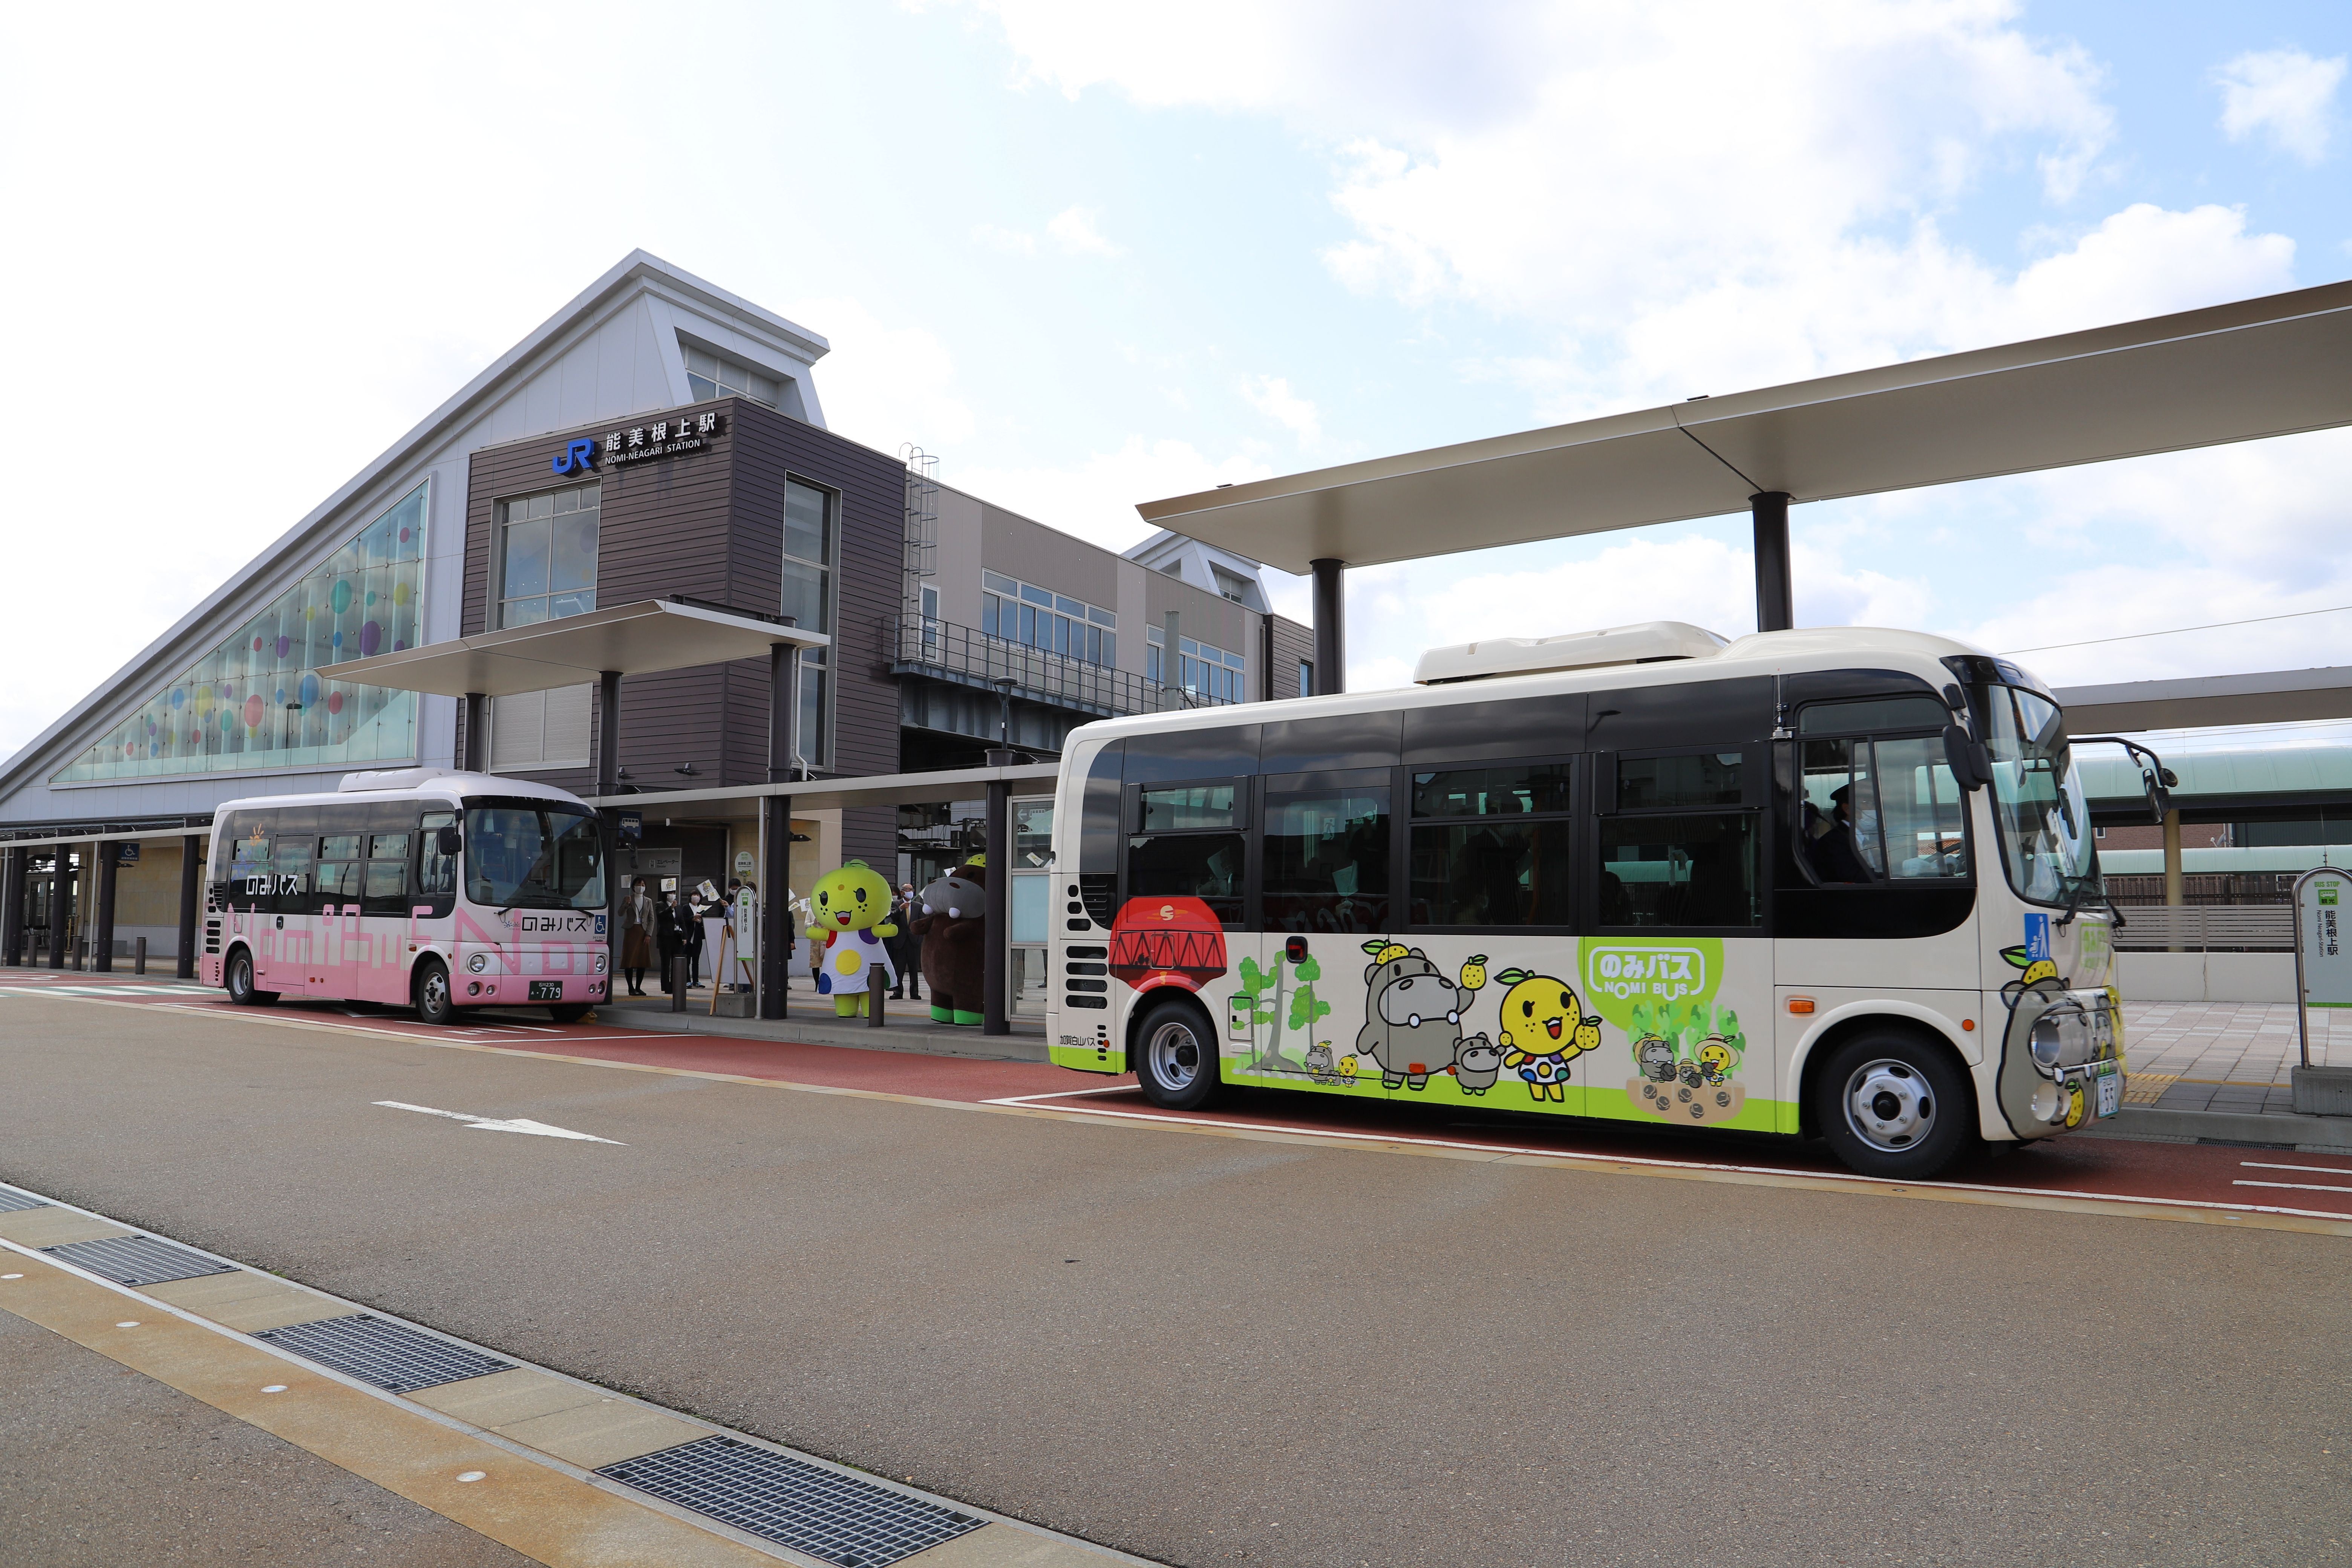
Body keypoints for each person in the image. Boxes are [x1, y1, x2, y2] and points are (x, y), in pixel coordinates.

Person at [619, 878, 656, 996]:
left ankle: (639, 987)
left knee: (642, 960)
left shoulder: (648, 901)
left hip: (643, 931)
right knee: (629, 960)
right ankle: (631, 988)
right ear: (634, 886)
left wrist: (649, 934)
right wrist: (627, 904)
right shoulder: (628, 898)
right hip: (631, 931)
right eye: (639, 884)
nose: (641, 886)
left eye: (643, 884)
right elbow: (620, 913)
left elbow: (652, 919)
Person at [888, 880, 922, 1001]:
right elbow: (893, 917)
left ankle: (915, 993)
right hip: (900, 941)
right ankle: (898, 992)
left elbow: (921, 924)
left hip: (914, 941)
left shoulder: (919, 907)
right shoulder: (896, 904)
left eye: (912, 890)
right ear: (902, 892)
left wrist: (919, 939)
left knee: (914, 969)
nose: (911, 892)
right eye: (908, 890)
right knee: (899, 968)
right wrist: (901, 909)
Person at [657, 890, 687, 994]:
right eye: (671, 893)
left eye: (674, 893)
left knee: (676, 962)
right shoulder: (660, 905)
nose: (673, 895)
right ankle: (666, 986)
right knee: (666, 963)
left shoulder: (679, 907)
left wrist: (685, 937)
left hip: (677, 937)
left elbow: (682, 921)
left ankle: (675, 985)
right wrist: (671, 908)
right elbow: (660, 917)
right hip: (665, 937)